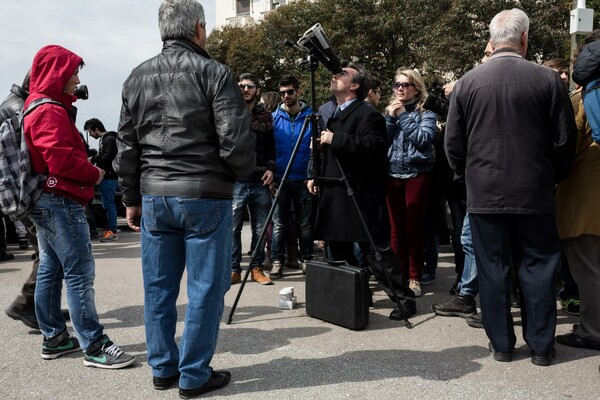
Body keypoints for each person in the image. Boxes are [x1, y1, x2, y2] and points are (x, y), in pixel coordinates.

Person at [114, 0, 256, 396]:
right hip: (204, 193)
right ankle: (193, 375)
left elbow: (127, 146)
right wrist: (237, 172)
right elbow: (236, 141)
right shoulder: (214, 72)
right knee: (205, 289)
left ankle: (163, 368)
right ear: (198, 28)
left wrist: (131, 197)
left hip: (155, 195)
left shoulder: (135, 76)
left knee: (158, 288)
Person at [445, 8, 576, 366]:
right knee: (539, 267)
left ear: (492, 38)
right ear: (524, 38)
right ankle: (541, 346)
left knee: (492, 268)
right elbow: (565, 140)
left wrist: (467, 179)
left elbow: (453, 144)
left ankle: (502, 344)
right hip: (534, 190)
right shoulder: (548, 80)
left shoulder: (468, 82)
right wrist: (554, 176)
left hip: (485, 191)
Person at [24, 44, 135, 369]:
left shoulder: (37, 105)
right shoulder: (50, 110)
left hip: (45, 198)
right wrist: (95, 172)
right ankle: (94, 344)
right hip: (61, 200)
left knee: (50, 269)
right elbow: (59, 159)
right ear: (57, 73)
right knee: (79, 273)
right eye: (73, 72)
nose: (76, 79)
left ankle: (55, 338)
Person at [308, 62, 417, 320]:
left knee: (375, 253)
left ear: (355, 86)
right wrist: (317, 164)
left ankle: (404, 299)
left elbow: (374, 148)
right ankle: (354, 298)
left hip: (360, 194)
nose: (334, 76)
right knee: (339, 251)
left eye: (342, 74)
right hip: (335, 191)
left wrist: (336, 139)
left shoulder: (368, 115)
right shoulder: (334, 114)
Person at [554, 29, 600, 351]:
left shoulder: (581, 100)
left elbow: (562, 152)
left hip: (584, 205)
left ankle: (592, 331)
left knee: (589, 272)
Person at [384, 69, 437, 297]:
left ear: (416, 87)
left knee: (412, 229)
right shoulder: (391, 111)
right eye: (397, 85)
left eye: (405, 85)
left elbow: (423, 140)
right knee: (395, 230)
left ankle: (415, 276)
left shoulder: (427, 113)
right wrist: (388, 119)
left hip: (417, 175)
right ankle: (399, 276)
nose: (400, 89)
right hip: (392, 174)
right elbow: (381, 143)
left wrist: (404, 116)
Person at [231, 73, 276, 286]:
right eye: (242, 86)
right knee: (232, 228)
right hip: (235, 179)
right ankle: (234, 269)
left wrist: (271, 169)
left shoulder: (265, 116)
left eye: (250, 86)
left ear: (257, 90)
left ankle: (256, 268)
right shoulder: (230, 112)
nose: (245, 89)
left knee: (260, 227)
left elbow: (270, 148)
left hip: (260, 180)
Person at [269, 75, 314, 279]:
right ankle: (277, 260)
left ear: (298, 92)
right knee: (279, 223)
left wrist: (313, 175)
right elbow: (268, 149)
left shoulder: (312, 117)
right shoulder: (273, 118)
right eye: (282, 93)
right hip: (280, 178)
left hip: (304, 179)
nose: (286, 96)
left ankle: (306, 259)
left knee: (305, 224)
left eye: (289, 91)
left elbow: (317, 151)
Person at [83, 118, 119, 241]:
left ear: (96, 129)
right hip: (106, 177)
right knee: (107, 205)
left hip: (109, 177)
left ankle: (112, 231)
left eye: (90, 132)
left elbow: (108, 157)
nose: (90, 135)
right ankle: (111, 229)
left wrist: (92, 160)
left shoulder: (109, 140)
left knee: (109, 205)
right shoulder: (105, 140)